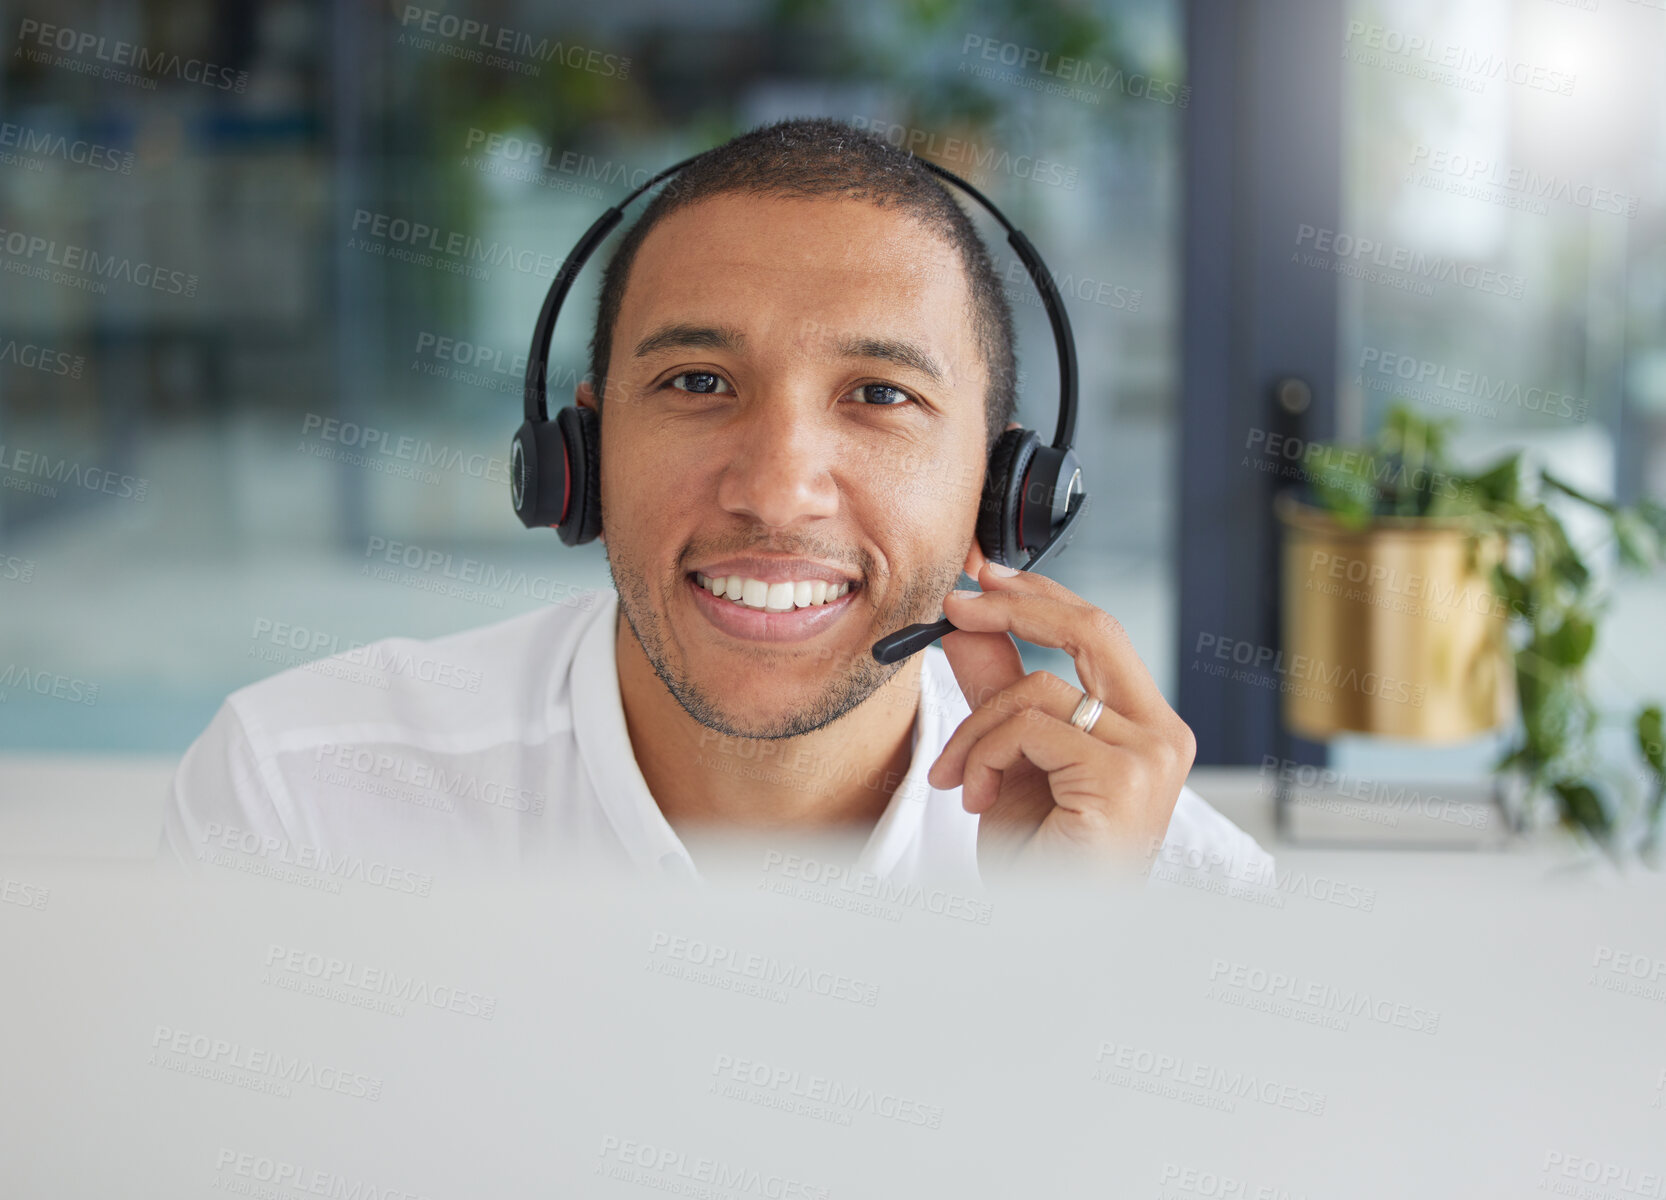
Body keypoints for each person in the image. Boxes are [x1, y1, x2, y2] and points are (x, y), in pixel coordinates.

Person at [161, 117, 1273, 893]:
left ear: (1002, 487)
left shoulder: (1166, 883)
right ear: (580, 455)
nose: (776, 488)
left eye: (879, 395)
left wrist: (1067, 961)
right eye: (698, 384)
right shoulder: (302, 797)